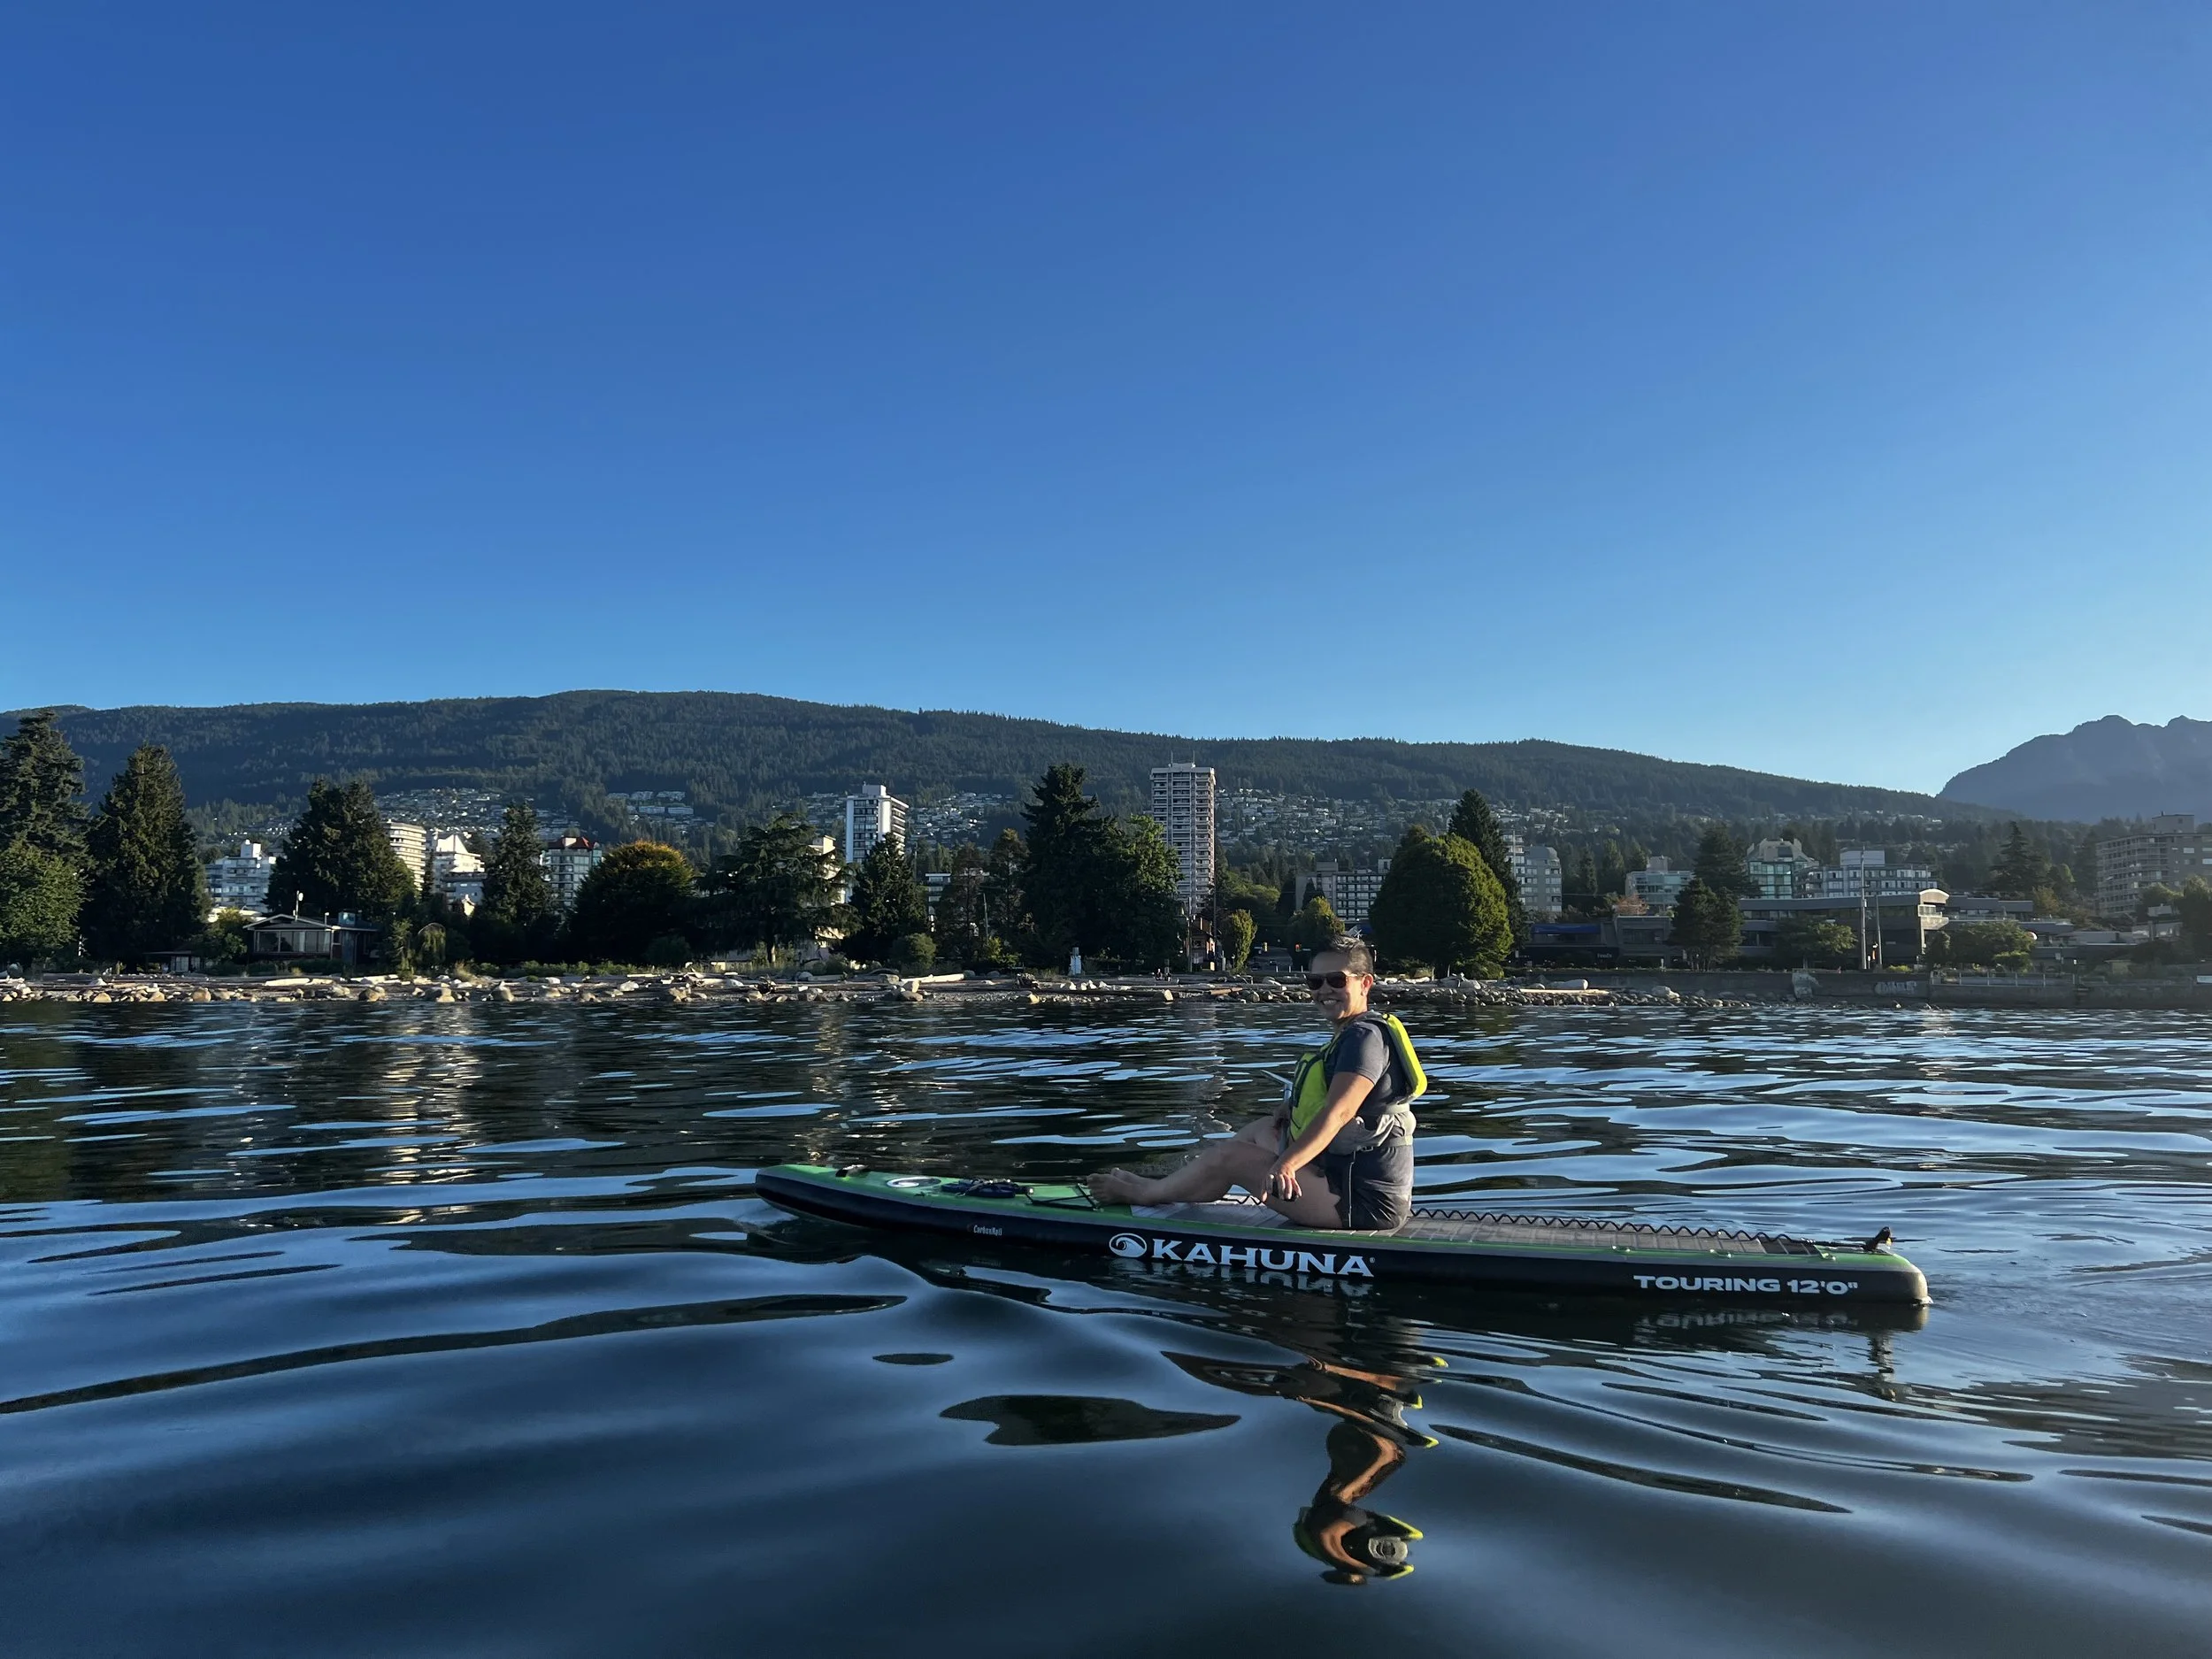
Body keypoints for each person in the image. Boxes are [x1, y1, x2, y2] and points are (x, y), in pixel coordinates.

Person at [1088, 934, 1422, 1230]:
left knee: (1231, 1156)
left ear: (1365, 984)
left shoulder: (1363, 1038)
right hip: (1342, 1180)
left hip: (1363, 1205)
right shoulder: (1354, 1033)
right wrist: (1291, 1109)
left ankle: (1147, 1194)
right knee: (1262, 1130)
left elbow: (1340, 1113)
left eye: (1336, 980)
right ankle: (1177, 1186)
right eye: (1315, 981)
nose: (1324, 990)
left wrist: (1287, 1164)